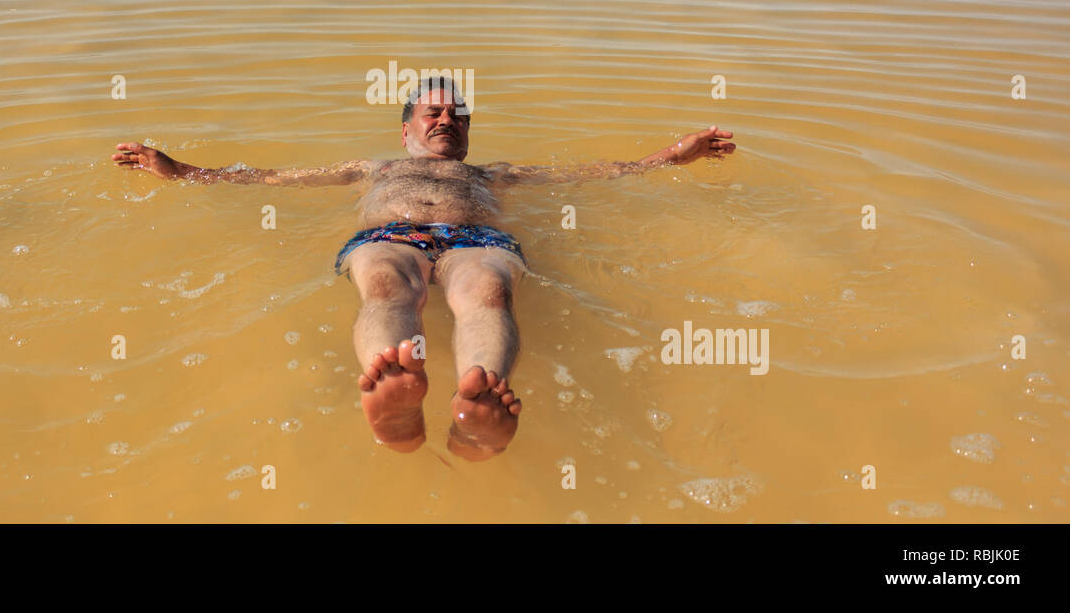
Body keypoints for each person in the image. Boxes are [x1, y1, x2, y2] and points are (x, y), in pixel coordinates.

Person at [110, 77, 735, 460]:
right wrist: (184, 172)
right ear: (406, 127)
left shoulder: (496, 174)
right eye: (433, 113)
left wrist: (671, 158)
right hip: (389, 235)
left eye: (457, 115)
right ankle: (396, 397)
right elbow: (269, 179)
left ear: (467, 130)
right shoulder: (370, 168)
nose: (446, 120)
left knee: (488, 287)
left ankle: (478, 399)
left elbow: (598, 173)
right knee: (385, 284)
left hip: (476, 237)